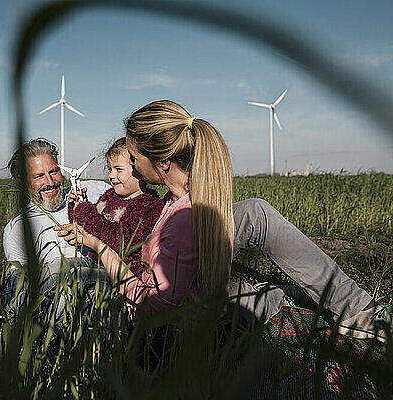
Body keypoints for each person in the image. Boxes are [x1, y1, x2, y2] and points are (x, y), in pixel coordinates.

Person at [54, 100, 391, 342]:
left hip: (178, 313)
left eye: (133, 158)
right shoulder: (185, 198)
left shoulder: (179, 218)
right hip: (198, 293)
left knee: (255, 274)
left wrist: (98, 244)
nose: (128, 165)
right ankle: (332, 305)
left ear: (165, 162)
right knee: (268, 290)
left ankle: (354, 314)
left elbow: (155, 307)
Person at [3, 138, 111, 267]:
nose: (50, 182)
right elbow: (20, 280)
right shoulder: (18, 228)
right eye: (39, 176)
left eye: (54, 172)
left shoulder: (99, 190)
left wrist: (94, 232)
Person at [67, 137, 164, 278]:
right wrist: (76, 205)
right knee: (56, 267)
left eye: (118, 169)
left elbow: (122, 241)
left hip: (120, 271)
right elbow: (88, 225)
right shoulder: (110, 195)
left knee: (74, 277)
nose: (111, 175)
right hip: (94, 261)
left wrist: (84, 210)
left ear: (140, 170)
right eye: (110, 169)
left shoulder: (148, 204)